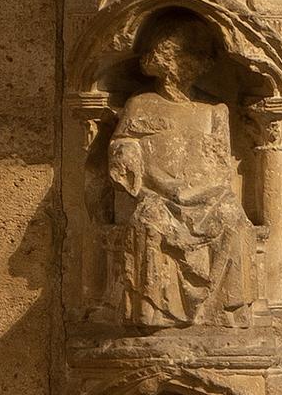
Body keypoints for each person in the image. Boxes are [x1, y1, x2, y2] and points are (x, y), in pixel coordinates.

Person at [104, 20, 255, 329]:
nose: (199, 64)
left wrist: (199, 191)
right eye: (189, 56)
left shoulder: (214, 110)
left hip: (202, 197)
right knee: (148, 221)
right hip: (157, 196)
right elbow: (125, 154)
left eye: (199, 57)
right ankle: (152, 312)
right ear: (167, 61)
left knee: (232, 216)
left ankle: (223, 307)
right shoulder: (141, 105)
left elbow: (220, 165)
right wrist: (161, 184)